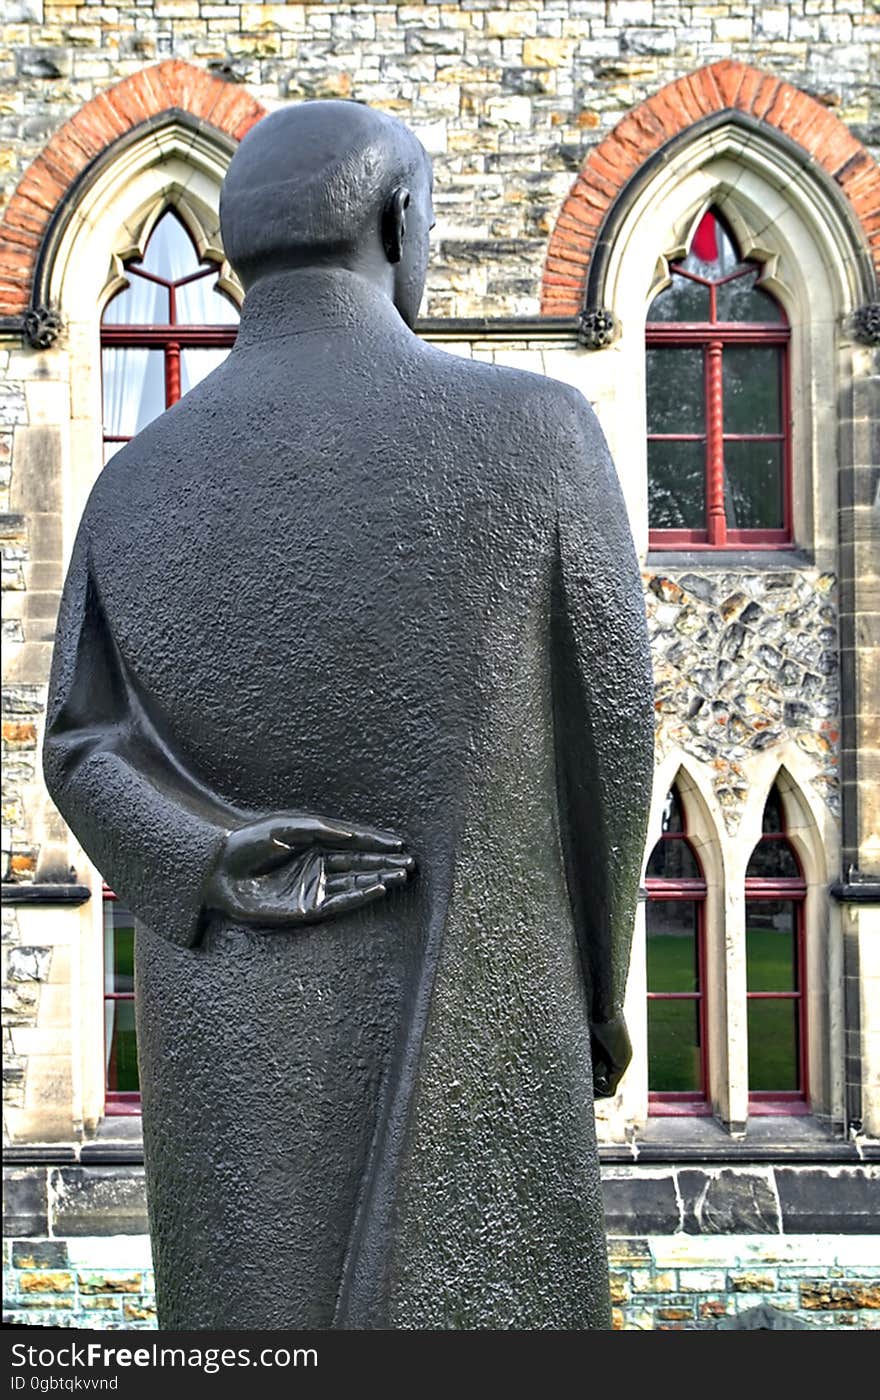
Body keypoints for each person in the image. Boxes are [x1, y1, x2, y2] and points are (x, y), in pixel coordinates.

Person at [43, 100, 653, 1330]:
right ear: (398, 220)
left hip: (229, 1058)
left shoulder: (130, 480)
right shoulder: (537, 434)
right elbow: (613, 734)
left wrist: (209, 859)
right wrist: (593, 990)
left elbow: (81, 748)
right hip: (481, 1010)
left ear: (234, 255)